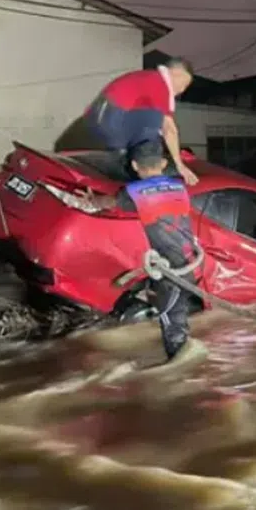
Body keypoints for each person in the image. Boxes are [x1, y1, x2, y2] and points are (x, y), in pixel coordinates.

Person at [83, 138, 202, 363]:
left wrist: (92, 200)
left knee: (173, 325)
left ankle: (181, 369)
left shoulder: (135, 191)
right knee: (172, 312)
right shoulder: (178, 186)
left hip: (174, 271)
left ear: (135, 165)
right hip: (190, 262)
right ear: (163, 163)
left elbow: (108, 203)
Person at [84, 57, 199, 185]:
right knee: (155, 123)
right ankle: (151, 174)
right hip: (112, 116)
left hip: (99, 118)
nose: (182, 90)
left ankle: (124, 158)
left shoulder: (147, 79)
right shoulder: (160, 83)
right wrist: (180, 165)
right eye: (184, 85)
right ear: (175, 73)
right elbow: (169, 129)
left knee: (151, 119)